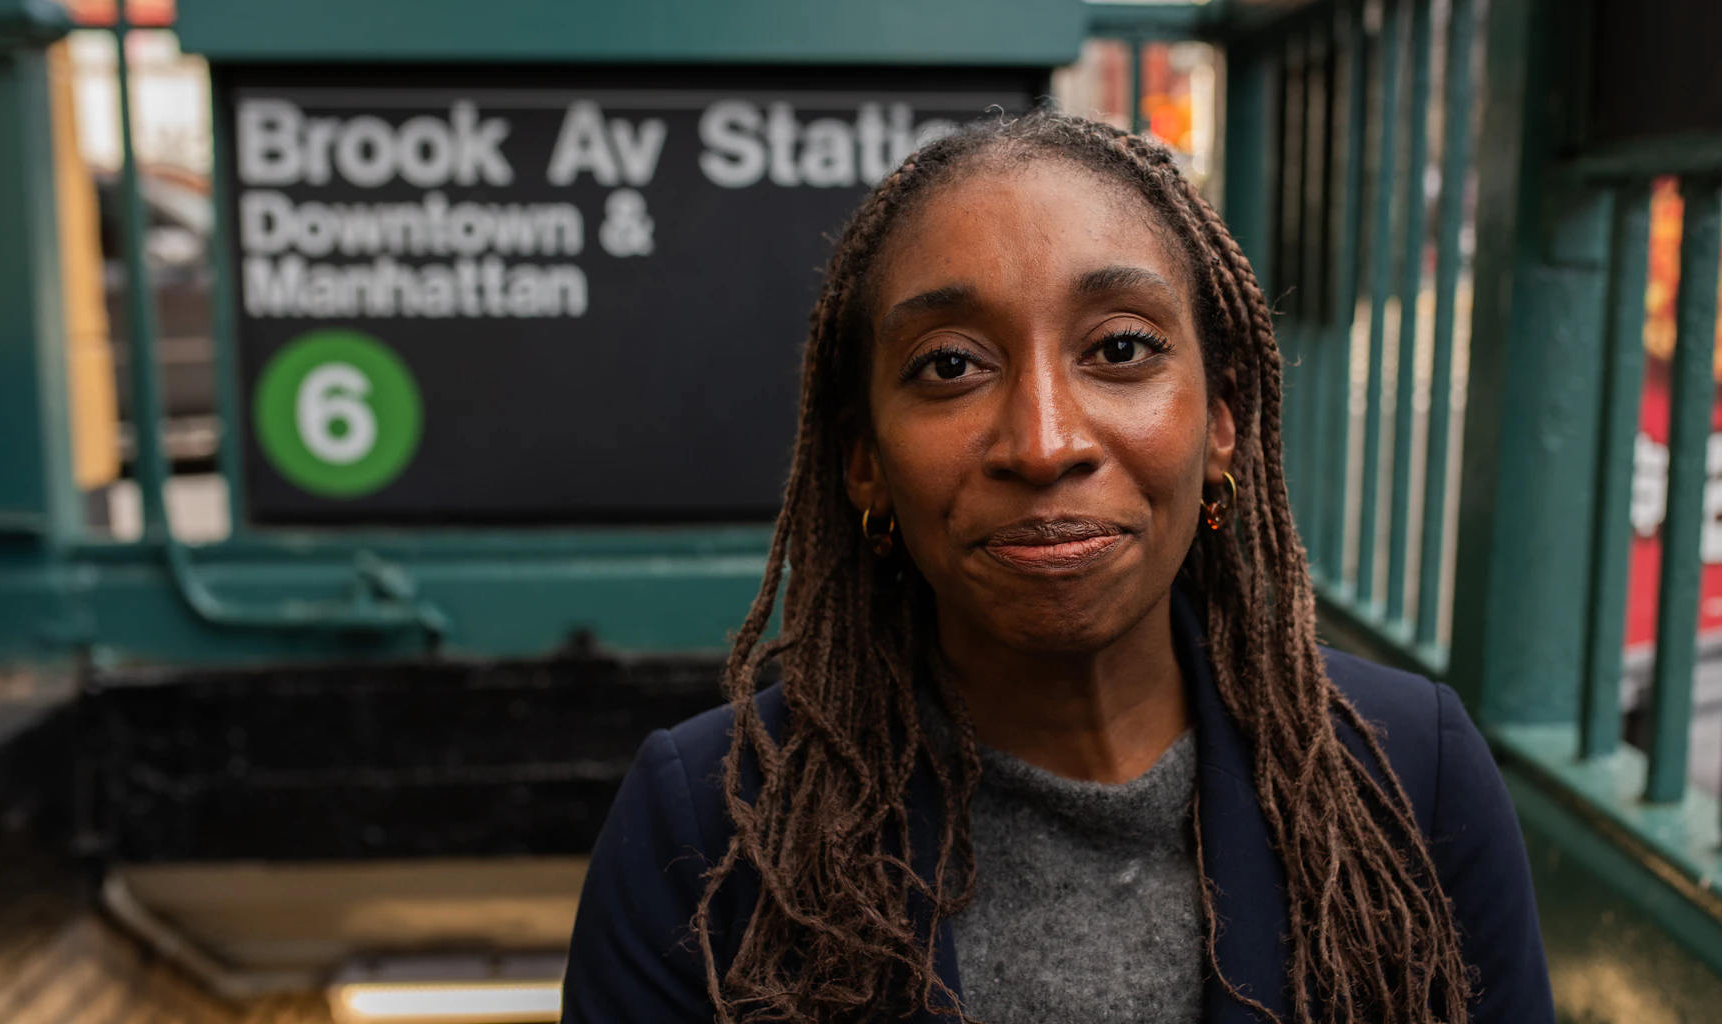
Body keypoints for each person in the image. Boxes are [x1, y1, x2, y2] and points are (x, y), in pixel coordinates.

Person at [562, 109, 1552, 1024]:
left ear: (1221, 422)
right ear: (862, 459)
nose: (1042, 442)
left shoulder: (1407, 774)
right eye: (950, 364)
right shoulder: (704, 827)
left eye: (1120, 347)